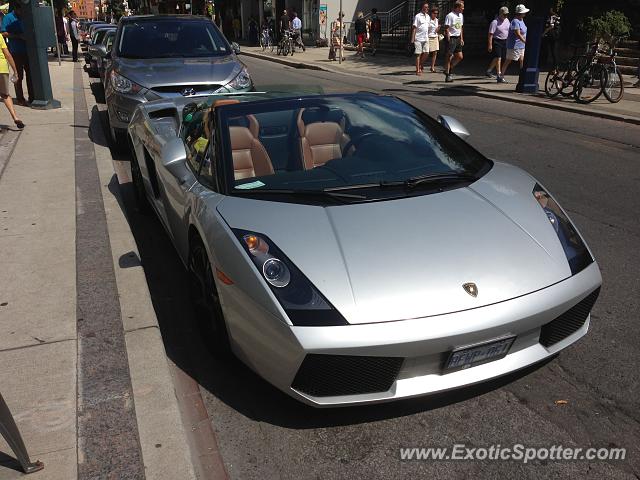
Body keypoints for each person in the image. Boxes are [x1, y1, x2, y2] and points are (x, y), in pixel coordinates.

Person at [1, 4, 31, 106]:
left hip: (28, 50)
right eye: (21, 10)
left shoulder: (25, 17)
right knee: (19, 76)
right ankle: (20, 98)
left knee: (30, 75)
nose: (22, 13)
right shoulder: (8, 18)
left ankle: (32, 97)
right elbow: (3, 32)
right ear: (16, 9)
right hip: (16, 51)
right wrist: (18, 36)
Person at [0, 32, 24, 129]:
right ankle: (15, 117)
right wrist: (15, 71)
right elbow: (7, 54)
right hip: (2, 68)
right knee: (5, 95)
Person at [502, 4, 529, 81]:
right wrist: (525, 41)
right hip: (514, 45)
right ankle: (501, 75)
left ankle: (522, 76)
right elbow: (517, 34)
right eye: (524, 12)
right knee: (508, 60)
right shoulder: (515, 21)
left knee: (522, 60)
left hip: (521, 45)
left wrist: (524, 42)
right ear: (520, 13)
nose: (525, 13)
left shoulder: (522, 20)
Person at [486, 6, 509, 82]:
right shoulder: (495, 22)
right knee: (498, 57)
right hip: (497, 41)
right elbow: (490, 34)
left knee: (497, 57)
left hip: (505, 41)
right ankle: (499, 74)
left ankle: (489, 70)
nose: (505, 16)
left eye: (506, 14)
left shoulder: (507, 20)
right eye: (504, 14)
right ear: (500, 13)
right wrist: (490, 44)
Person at [443, 0, 464, 82]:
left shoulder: (461, 15)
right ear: (457, 7)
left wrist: (462, 38)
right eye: (462, 7)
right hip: (451, 38)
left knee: (460, 57)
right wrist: (448, 37)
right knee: (449, 56)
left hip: (458, 37)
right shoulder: (450, 16)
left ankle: (448, 68)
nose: (463, 8)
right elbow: (447, 27)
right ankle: (448, 75)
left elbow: (461, 27)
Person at [411, 2, 430, 75]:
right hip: (418, 38)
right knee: (418, 54)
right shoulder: (417, 16)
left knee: (426, 53)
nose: (427, 8)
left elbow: (428, 28)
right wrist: (412, 39)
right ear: (422, 7)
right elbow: (414, 28)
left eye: (427, 7)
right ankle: (418, 70)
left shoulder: (428, 16)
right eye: (425, 7)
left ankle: (420, 64)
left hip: (426, 38)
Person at [426, 6, 440, 72]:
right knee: (426, 53)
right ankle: (421, 65)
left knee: (435, 52)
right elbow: (426, 29)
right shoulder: (428, 20)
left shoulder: (436, 20)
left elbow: (435, 31)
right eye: (434, 13)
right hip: (429, 37)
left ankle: (432, 67)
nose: (435, 14)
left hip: (435, 37)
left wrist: (438, 28)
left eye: (437, 13)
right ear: (431, 13)